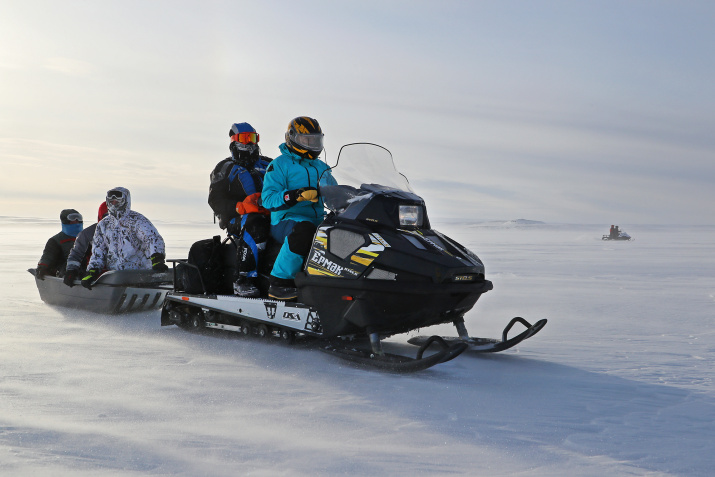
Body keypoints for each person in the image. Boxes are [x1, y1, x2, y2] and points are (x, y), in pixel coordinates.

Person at [261, 116, 336, 300]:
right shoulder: (279, 165)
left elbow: (335, 192)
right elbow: (268, 199)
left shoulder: (322, 167)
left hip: (317, 219)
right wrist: (294, 195)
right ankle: (279, 282)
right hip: (285, 220)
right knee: (304, 230)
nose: (312, 144)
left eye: (315, 140)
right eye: (306, 140)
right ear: (293, 138)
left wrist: (349, 199)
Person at [208, 122, 272, 297]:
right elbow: (215, 199)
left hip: (273, 212)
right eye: (244, 139)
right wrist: (239, 206)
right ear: (234, 141)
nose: (249, 143)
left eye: (253, 138)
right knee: (255, 224)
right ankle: (243, 278)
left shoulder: (269, 164)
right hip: (238, 217)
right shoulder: (224, 168)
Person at [81, 187, 167, 290]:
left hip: (140, 275)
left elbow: (152, 238)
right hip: (117, 277)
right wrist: (92, 271)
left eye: (118, 200)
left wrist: (157, 258)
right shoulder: (103, 225)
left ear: (125, 200)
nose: (114, 203)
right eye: (111, 200)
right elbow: (98, 250)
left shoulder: (137, 220)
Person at [63, 202, 109, 287]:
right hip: (94, 276)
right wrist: (71, 270)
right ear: (100, 217)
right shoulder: (88, 234)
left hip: (121, 275)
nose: (110, 220)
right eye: (106, 216)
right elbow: (76, 254)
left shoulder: (129, 232)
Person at [35, 209, 83, 280]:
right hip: (65, 271)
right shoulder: (56, 240)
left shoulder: (88, 237)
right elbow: (48, 256)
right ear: (65, 221)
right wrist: (42, 266)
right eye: (73, 218)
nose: (77, 221)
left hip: (86, 268)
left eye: (79, 218)